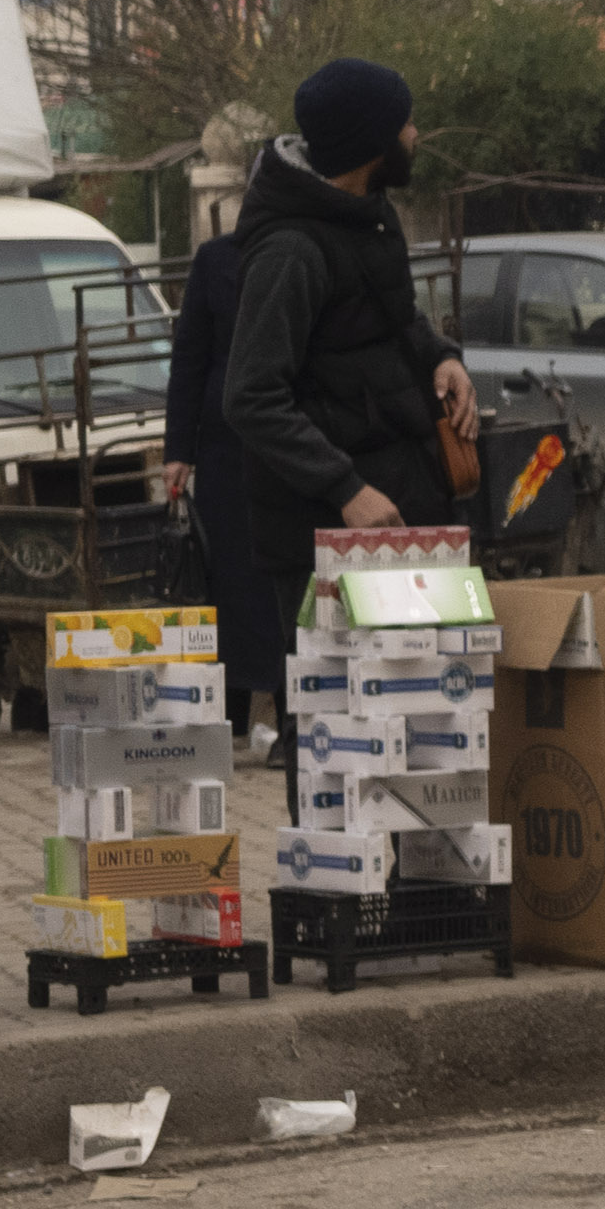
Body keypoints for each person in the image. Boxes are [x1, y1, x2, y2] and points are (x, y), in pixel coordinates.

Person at [185, 55, 478, 746]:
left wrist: (442, 358)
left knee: (422, 727)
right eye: (404, 123)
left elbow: (396, 322)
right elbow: (251, 395)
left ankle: (411, 861)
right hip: (325, 542)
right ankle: (346, 862)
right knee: (333, 741)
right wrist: (346, 490)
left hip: (404, 521)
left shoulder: (371, 218)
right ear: (370, 146)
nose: (416, 134)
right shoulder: (290, 251)